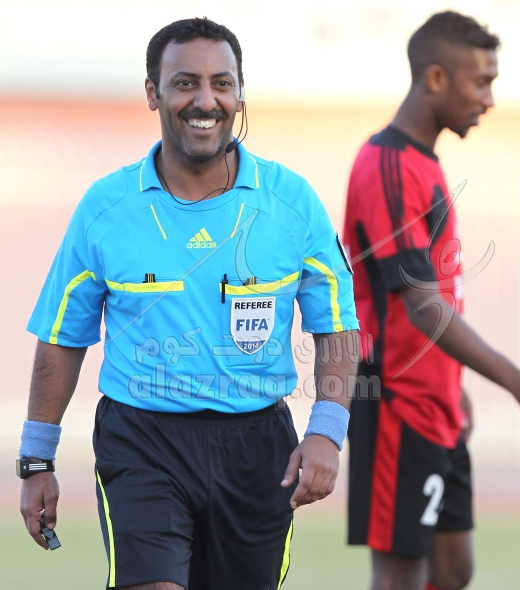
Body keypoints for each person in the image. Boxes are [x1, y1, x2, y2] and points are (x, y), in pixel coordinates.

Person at [18, 17, 359, 590]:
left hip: (258, 449)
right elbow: (62, 336)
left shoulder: (292, 203)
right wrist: (36, 459)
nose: (206, 100)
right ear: (153, 92)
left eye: (222, 83)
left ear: (240, 93)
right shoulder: (106, 207)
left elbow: (338, 325)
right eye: (185, 83)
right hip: (141, 441)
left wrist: (326, 430)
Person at [343, 11, 520, 590]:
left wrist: (452, 382)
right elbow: (422, 305)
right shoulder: (389, 165)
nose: (489, 99)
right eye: (481, 82)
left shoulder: (422, 163)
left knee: (453, 570)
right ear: (435, 78)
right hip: (396, 401)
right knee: (400, 574)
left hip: (435, 399)